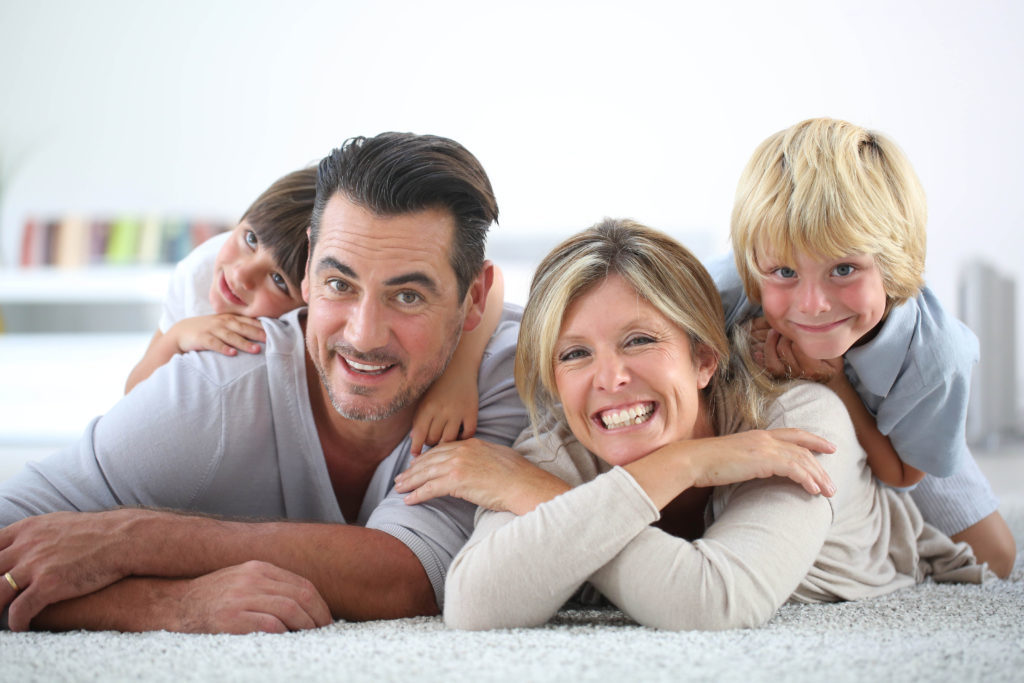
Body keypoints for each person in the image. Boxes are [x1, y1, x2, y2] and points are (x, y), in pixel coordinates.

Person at [0, 132, 527, 633]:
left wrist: (134, 538)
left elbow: (410, 575)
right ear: (306, 274)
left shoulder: (505, 378)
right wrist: (169, 605)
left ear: (474, 299)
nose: (363, 335)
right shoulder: (214, 386)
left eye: (408, 296)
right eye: (338, 283)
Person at [396, 219, 988, 631]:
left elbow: (712, 602)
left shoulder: (798, 420)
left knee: (1002, 553)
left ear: (705, 358)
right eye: (574, 354)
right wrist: (683, 463)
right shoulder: (561, 436)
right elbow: (475, 602)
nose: (610, 378)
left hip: (901, 516)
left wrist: (543, 499)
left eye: (640, 340)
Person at [712, 117, 1015, 577]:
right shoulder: (726, 293)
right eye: (785, 273)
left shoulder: (935, 356)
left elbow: (903, 475)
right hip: (786, 426)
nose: (812, 306)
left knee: (996, 559)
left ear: (893, 263)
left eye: (844, 269)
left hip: (898, 438)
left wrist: (834, 381)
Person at [124, 166, 505, 454]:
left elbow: (490, 286)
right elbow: (132, 407)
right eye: (250, 238)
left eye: (277, 281)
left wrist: (459, 377)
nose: (241, 275)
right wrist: (176, 337)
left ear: (311, 300)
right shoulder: (202, 271)